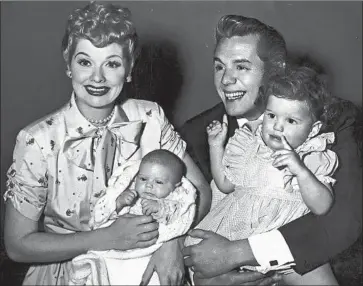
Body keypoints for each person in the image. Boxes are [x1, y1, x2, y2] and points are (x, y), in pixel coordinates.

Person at [3, 2, 211, 285]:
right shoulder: (37, 140)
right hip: (67, 273)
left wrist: (170, 241)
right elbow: (17, 245)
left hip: (147, 263)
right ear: (68, 65)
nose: (97, 77)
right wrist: (106, 238)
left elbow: (201, 191)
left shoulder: (150, 116)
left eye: (112, 63)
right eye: (85, 62)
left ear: (129, 69)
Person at [181, 15, 362, 285]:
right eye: (219, 67)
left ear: (274, 71)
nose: (226, 80)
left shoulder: (334, 119)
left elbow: (344, 221)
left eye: (241, 67)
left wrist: (238, 253)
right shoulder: (197, 135)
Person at [185, 63, 340, 285]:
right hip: (234, 236)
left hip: (284, 244)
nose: (277, 126)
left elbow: (322, 205)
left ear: (313, 130)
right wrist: (216, 146)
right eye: (271, 115)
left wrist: (301, 171)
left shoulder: (310, 155)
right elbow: (225, 184)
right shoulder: (249, 144)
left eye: (291, 121)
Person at [70, 149, 197, 285]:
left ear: (175, 187)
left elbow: (178, 217)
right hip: (116, 251)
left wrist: (160, 208)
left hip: (148, 253)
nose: (149, 185)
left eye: (159, 182)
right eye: (143, 179)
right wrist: (118, 203)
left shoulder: (173, 200)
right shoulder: (132, 196)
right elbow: (103, 216)